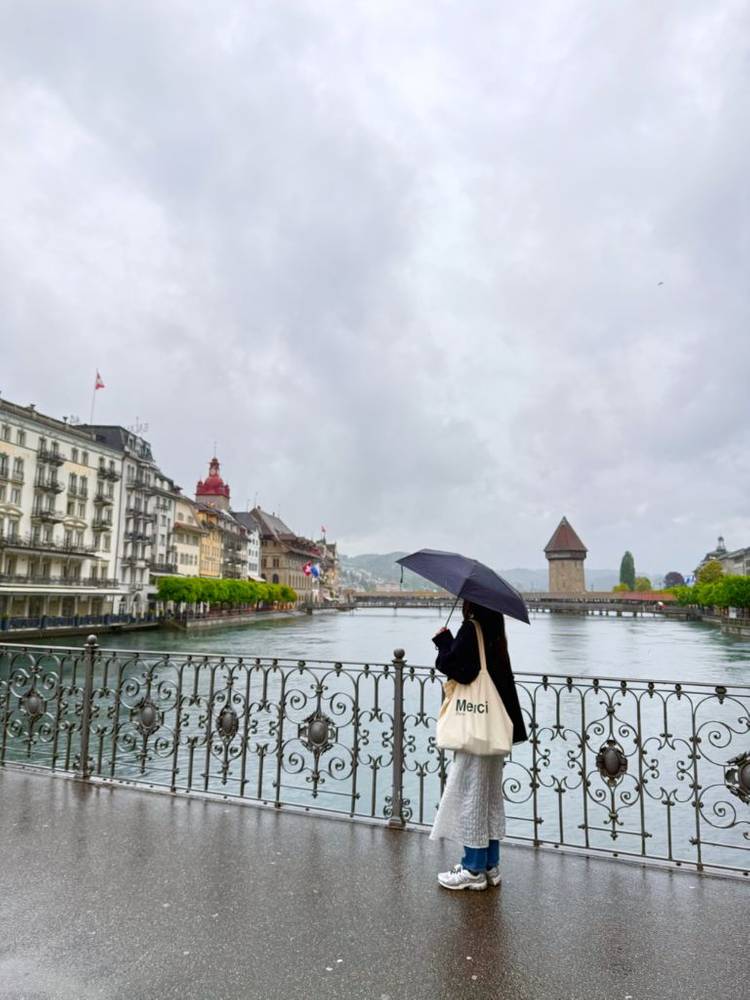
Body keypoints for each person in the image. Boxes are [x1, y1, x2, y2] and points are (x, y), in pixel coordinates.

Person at [430, 600, 528, 890]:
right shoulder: (496, 629)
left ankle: (473, 869)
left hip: (474, 726)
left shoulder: (472, 629)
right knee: (488, 795)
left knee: (471, 793)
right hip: (495, 726)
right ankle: (490, 865)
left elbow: (459, 668)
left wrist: (443, 641)